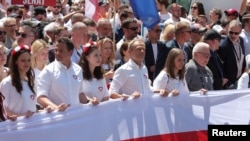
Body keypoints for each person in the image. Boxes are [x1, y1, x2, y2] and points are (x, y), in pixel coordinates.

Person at [36, 37, 88, 112]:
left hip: (76, 117)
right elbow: (41, 97)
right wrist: (56, 107)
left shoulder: (78, 69)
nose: (57, 53)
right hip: (59, 119)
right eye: (56, 50)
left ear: (70, 52)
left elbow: (80, 93)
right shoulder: (48, 71)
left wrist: (89, 102)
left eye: (61, 51)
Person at [0, 45, 36, 119]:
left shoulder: (31, 82)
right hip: (15, 128)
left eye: (29, 60)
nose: (27, 63)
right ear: (16, 62)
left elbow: (32, 107)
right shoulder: (7, 83)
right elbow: (4, 110)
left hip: (32, 126)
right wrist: (22, 116)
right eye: (23, 61)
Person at [218, 20, 246, 89]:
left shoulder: (241, 40)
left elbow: (242, 56)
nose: (233, 35)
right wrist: (228, 83)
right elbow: (220, 67)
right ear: (228, 30)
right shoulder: (223, 46)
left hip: (240, 79)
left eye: (236, 33)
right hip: (229, 83)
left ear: (240, 32)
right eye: (231, 32)